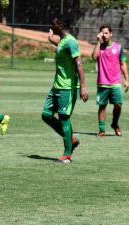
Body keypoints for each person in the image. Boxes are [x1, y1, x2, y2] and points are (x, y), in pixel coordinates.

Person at [41, 18, 88, 163]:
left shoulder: (71, 42)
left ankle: (67, 154)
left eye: (53, 24)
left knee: (64, 119)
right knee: (46, 115)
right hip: (56, 86)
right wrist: (50, 38)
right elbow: (60, 45)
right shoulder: (63, 41)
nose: (51, 25)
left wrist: (83, 86)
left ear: (60, 26)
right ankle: (71, 139)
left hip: (67, 88)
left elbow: (79, 64)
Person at [92, 25, 129, 137]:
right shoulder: (99, 47)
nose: (104, 35)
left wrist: (127, 79)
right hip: (102, 82)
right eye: (102, 33)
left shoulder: (118, 47)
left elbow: (122, 63)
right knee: (102, 106)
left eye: (106, 33)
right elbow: (94, 57)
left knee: (118, 104)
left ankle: (115, 124)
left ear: (111, 34)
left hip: (115, 83)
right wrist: (98, 42)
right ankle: (102, 129)